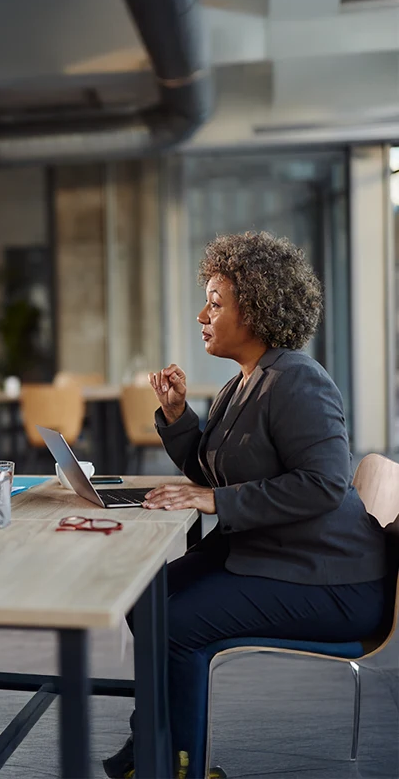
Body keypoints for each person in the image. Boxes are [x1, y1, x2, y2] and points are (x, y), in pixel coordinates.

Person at [104, 232, 388, 779]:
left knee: (176, 623)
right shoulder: (245, 383)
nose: (201, 315)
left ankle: (179, 765)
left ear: (255, 310)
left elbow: (324, 485)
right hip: (273, 552)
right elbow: (214, 471)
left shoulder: (299, 381)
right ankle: (155, 744)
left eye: (215, 302)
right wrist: (178, 414)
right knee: (146, 600)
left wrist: (214, 499)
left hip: (333, 579)